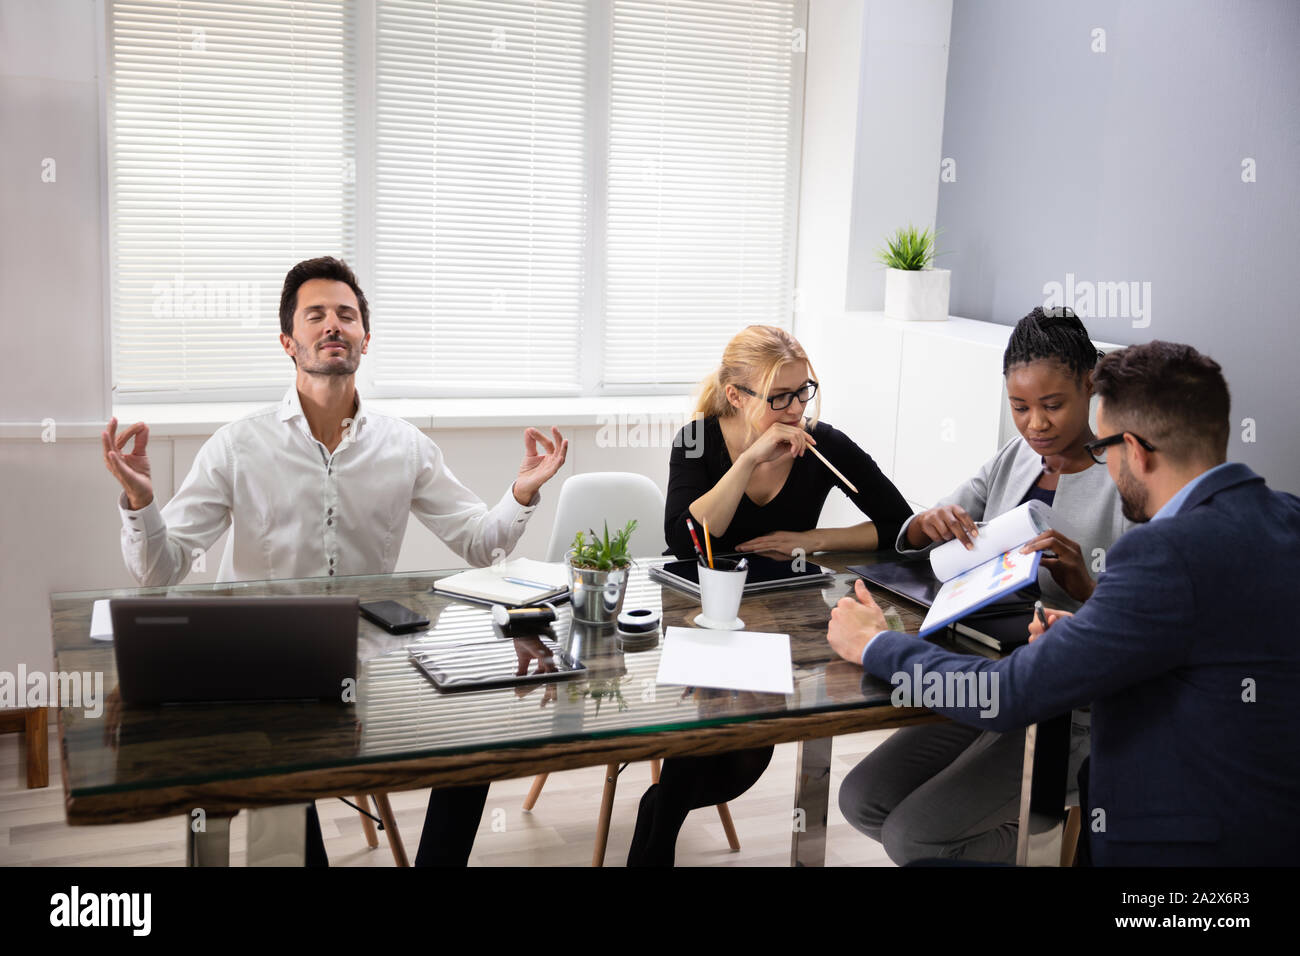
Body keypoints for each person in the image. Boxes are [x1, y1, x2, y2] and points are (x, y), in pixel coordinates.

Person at [101, 256, 569, 867]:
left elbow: (483, 544)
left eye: (346, 316)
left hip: (368, 655)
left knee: (475, 737)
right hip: (261, 663)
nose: (332, 326)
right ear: (287, 341)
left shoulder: (404, 446)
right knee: (282, 782)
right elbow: (159, 571)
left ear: (364, 339)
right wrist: (140, 501)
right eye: (315, 315)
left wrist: (523, 491)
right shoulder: (238, 445)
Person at [828, 341, 1300, 865]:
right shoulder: (1286, 516)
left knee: (920, 838)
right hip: (1266, 823)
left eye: (1105, 448)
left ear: (1136, 453)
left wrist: (876, 644)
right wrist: (1085, 632)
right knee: (874, 802)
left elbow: (1007, 695)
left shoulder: (1162, 554)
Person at [836, 307, 1129, 865]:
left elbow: (1132, 627)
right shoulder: (1016, 456)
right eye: (1019, 407)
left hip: (1064, 706)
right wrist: (929, 523)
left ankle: (1037, 849)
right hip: (983, 676)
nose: (1035, 424)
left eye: (1052, 405)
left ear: (1089, 384)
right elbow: (921, 532)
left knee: (914, 837)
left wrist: (1084, 583)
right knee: (862, 799)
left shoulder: (1124, 479)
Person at [627, 324, 912, 866]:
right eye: (779, 396)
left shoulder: (822, 444)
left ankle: (662, 812)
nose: (796, 408)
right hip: (702, 614)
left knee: (738, 766)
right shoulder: (698, 439)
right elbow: (684, 537)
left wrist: (813, 539)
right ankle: (660, 828)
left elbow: (899, 523)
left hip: (781, 615)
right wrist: (749, 458)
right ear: (736, 395)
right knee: (703, 743)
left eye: (803, 391)